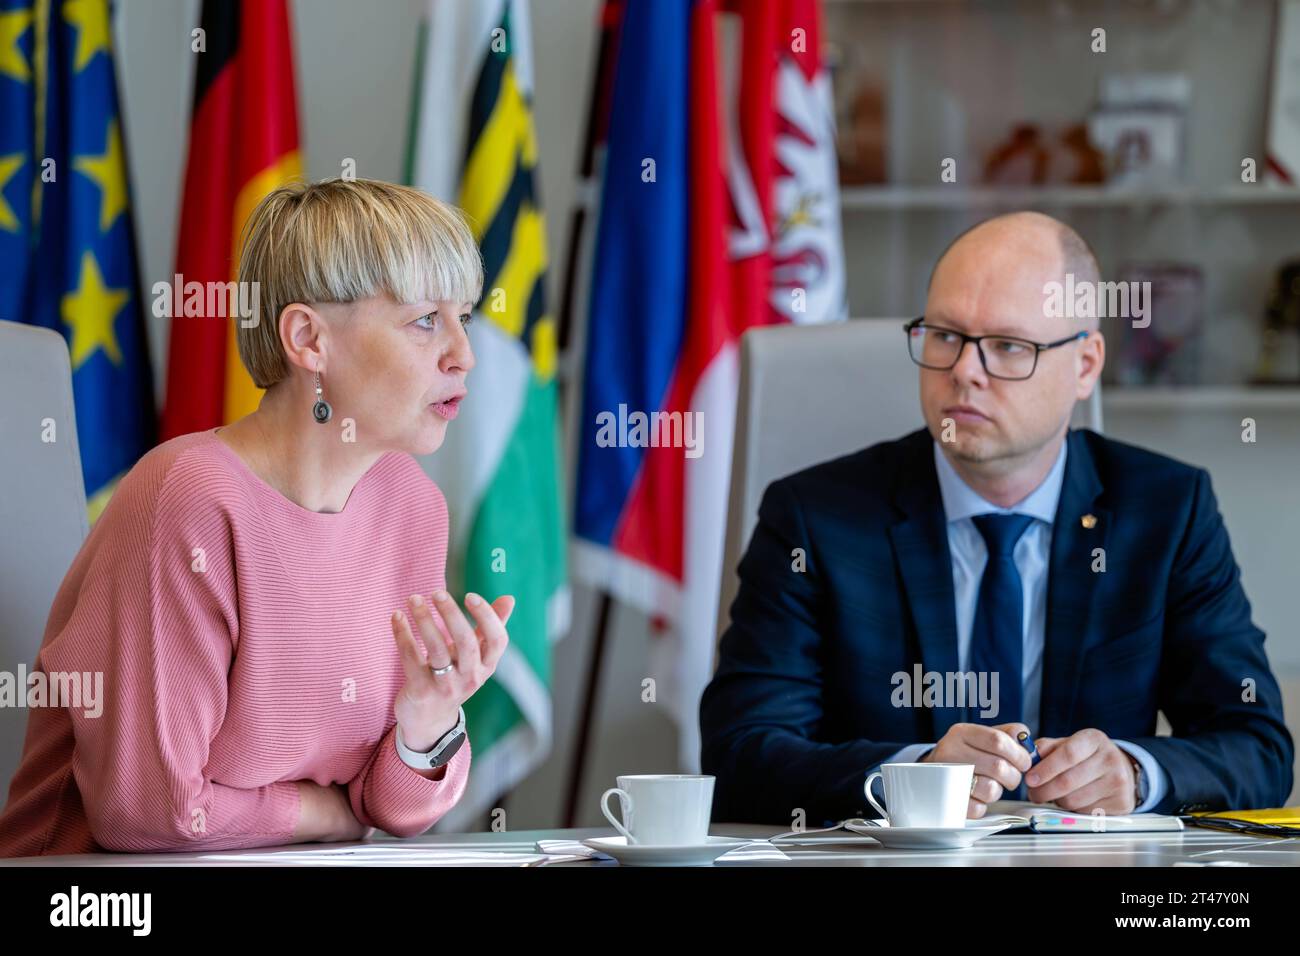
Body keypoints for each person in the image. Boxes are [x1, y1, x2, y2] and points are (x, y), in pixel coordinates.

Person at [700, 211, 1294, 826]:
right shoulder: (814, 517)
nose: (964, 370)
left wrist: (1135, 773)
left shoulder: (1166, 511)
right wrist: (914, 775)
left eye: (1009, 346)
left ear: (1085, 366)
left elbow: (1258, 748)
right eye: (945, 335)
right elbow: (738, 752)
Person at [0, 178, 512, 856]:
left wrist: (429, 716)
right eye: (426, 320)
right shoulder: (185, 499)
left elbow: (393, 808)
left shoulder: (413, 507)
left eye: (464, 318)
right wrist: (329, 815)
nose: (463, 355)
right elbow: (152, 812)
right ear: (308, 339)